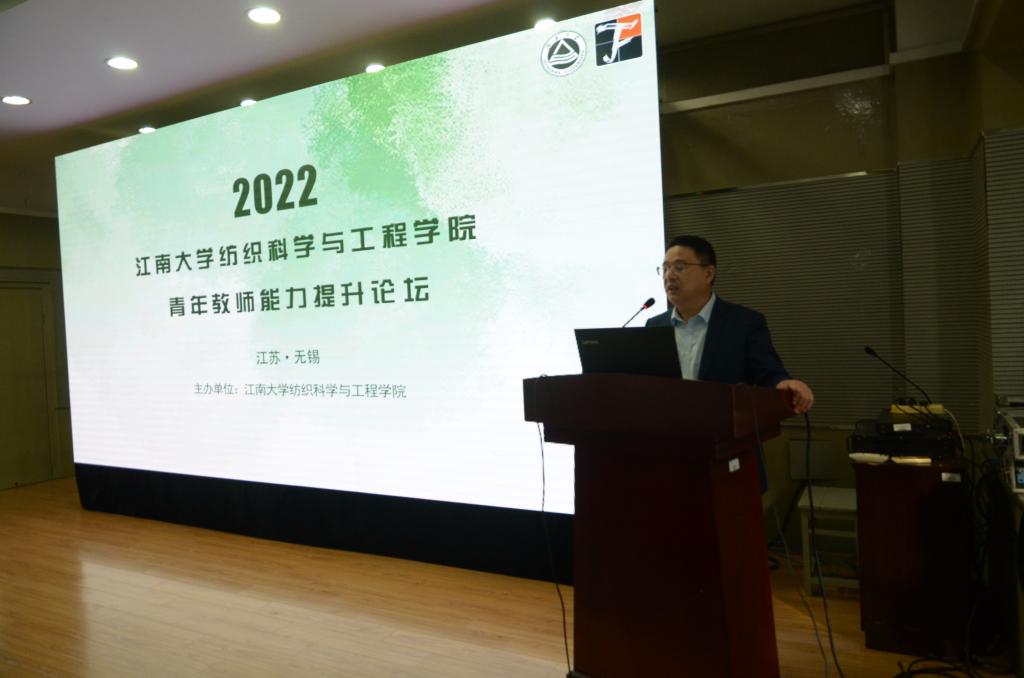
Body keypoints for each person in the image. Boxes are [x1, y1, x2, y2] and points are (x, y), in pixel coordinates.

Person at [645, 235, 814, 414]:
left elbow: (768, 372)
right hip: (667, 425)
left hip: (725, 425)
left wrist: (784, 383)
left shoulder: (744, 323)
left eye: (680, 267)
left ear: (709, 274)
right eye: (665, 268)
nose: (669, 275)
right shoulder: (655, 325)